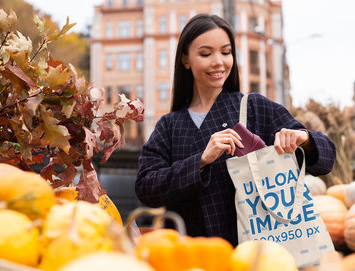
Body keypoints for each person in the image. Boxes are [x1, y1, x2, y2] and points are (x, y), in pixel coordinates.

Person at [134, 13, 336, 246]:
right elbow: (146, 188)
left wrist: (304, 138)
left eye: (226, 52)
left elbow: (326, 158)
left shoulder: (255, 108)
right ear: (185, 60)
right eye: (205, 53)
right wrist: (200, 160)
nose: (219, 61)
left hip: (257, 253)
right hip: (191, 256)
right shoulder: (169, 126)